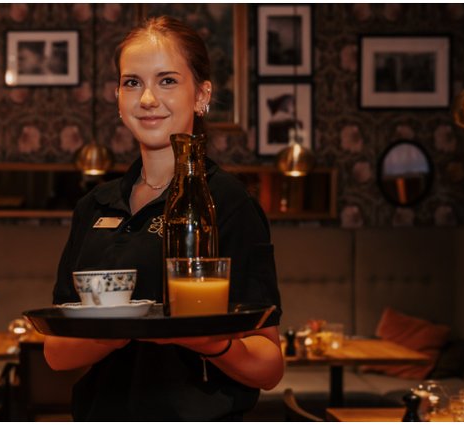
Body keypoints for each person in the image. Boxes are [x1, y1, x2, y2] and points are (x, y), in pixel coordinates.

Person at [44, 16, 284, 421]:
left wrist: (213, 344)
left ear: (202, 95)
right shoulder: (95, 206)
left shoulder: (227, 202)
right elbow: (56, 353)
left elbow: (269, 366)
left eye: (168, 81)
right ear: (118, 98)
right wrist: (123, 327)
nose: (148, 99)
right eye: (132, 82)